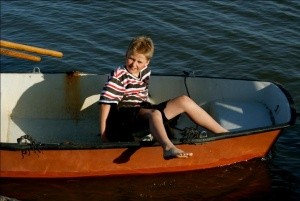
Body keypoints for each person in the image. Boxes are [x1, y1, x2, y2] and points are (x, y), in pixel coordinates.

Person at [99, 36, 228, 159]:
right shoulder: (119, 76)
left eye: (139, 61)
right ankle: (168, 148)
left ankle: (224, 134)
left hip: (139, 112)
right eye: (131, 58)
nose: (134, 64)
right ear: (125, 55)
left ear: (147, 62)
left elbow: (141, 95)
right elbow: (105, 104)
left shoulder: (144, 72)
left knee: (184, 100)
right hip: (123, 119)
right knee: (154, 114)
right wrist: (104, 135)